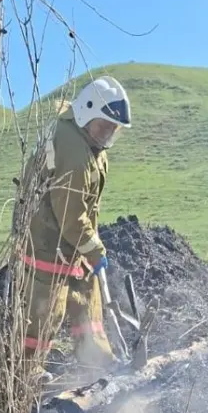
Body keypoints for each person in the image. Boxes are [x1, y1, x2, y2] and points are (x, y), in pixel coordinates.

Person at [14, 75, 132, 373]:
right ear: (86, 113)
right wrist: (95, 249)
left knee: (86, 293)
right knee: (44, 309)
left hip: (72, 239)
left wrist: (89, 250)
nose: (107, 135)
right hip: (46, 240)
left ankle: (96, 361)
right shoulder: (73, 149)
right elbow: (70, 213)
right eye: (104, 126)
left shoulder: (91, 145)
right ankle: (28, 374)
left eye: (113, 129)